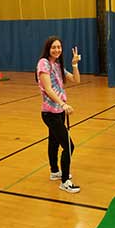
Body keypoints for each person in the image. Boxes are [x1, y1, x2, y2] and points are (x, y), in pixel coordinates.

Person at [36, 36, 81, 193]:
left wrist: (74, 64)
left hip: (59, 112)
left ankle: (55, 171)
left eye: (59, 47)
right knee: (69, 146)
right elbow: (48, 88)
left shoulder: (57, 65)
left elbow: (76, 80)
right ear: (48, 48)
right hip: (50, 112)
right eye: (54, 47)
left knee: (54, 142)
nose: (57, 50)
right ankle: (65, 181)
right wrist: (62, 103)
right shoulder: (44, 64)